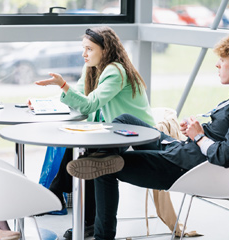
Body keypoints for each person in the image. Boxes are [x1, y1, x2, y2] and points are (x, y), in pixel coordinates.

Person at [66, 32, 229, 240]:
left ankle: (102, 223)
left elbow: (227, 155)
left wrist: (199, 137)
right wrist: (195, 131)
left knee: (105, 169)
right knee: (125, 119)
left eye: (222, 60)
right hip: (182, 150)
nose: (217, 65)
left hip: (184, 167)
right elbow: (224, 135)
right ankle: (99, 157)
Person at [33, 26, 155, 239]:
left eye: (89, 49)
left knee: (90, 155)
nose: (84, 54)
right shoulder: (92, 68)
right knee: (88, 156)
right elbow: (77, 96)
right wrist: (42, 104)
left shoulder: (115, 70)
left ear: (105, 50)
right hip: (111, 131)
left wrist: (63, 85)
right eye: (83, 48)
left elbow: (89, 105)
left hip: (135, 132)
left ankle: (57, 194)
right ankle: (82, 216)